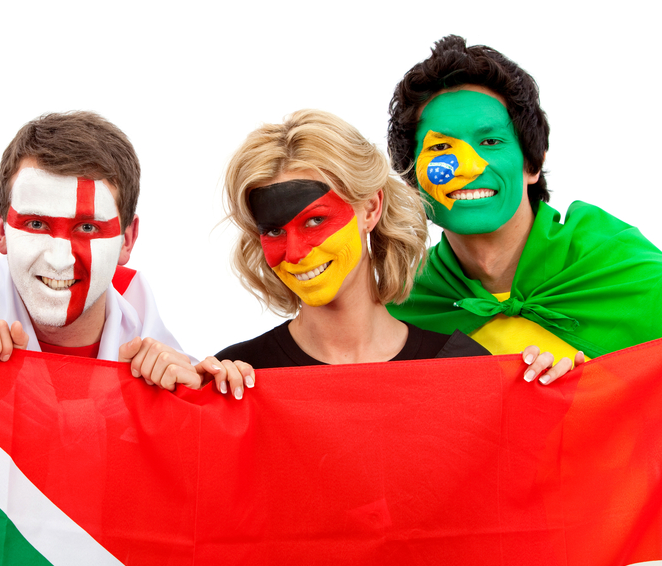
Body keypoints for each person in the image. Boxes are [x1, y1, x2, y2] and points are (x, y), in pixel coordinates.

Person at [386, 35, 662, 372]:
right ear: (411, 178)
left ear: (532, 163)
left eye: (490, 141)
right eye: (441, 148)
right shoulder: (401, 306)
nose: (470, 167)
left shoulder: (630, 276)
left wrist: (592, 393)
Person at [205, 109, 488, 397]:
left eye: (315, 220)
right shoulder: (238, 377)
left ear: (370, 209)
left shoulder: (462, 367)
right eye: (274, 231)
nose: (294, 253)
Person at [0, 111, 185, 369]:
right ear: (1, 230)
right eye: (37, 223)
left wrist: (196, 402)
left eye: (88, 228)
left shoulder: (162, 355)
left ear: (127, 240)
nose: (59, 259)